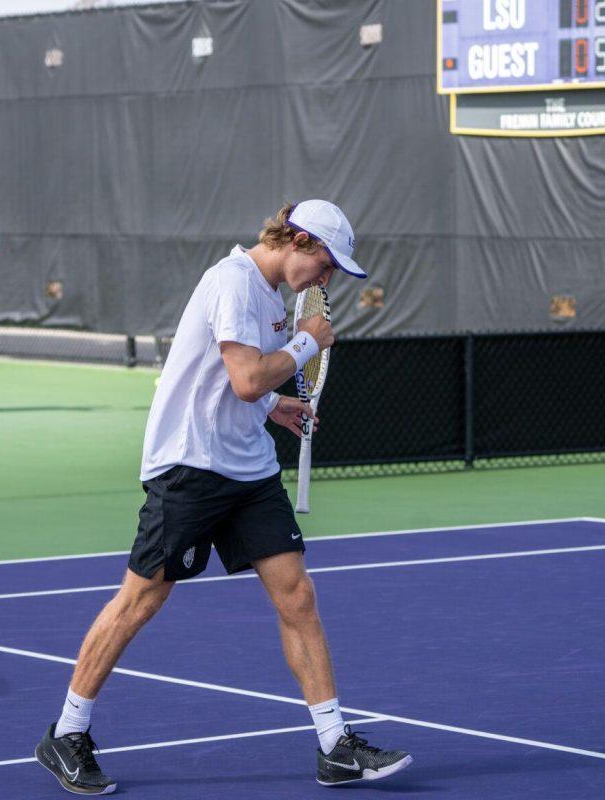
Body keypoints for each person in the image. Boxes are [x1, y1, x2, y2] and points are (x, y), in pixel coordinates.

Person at [35, 200, 412, 794]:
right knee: (141, 600)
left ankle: (334, 745)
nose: (326, 278)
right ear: (300, 241)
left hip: (249, 471)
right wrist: (308, 344)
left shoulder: (271, 297)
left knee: (299, 597)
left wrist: (275, 405)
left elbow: (242, 385)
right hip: (189, 466)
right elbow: (243, 378)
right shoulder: (232, 283)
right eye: (326, 263)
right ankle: (68, 731)